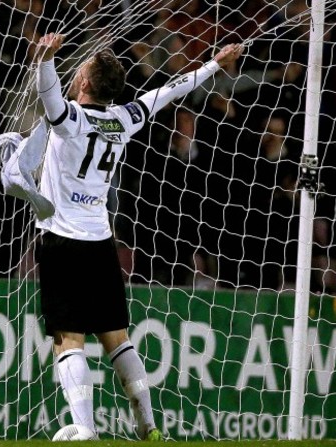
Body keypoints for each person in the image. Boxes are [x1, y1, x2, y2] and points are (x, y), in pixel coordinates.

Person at [33, 32, 243, 440]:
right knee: (117, 339)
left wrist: (44, 59)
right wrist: (215, 65)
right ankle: (147, 424)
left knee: (67, 338)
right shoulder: (124, 119)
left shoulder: (72, 120)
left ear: (86, 83)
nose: (77, 71)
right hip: (100, 241)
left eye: (83, 68)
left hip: (62, 239)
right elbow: (171, 89)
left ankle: (86, 428)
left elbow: (48, 94)